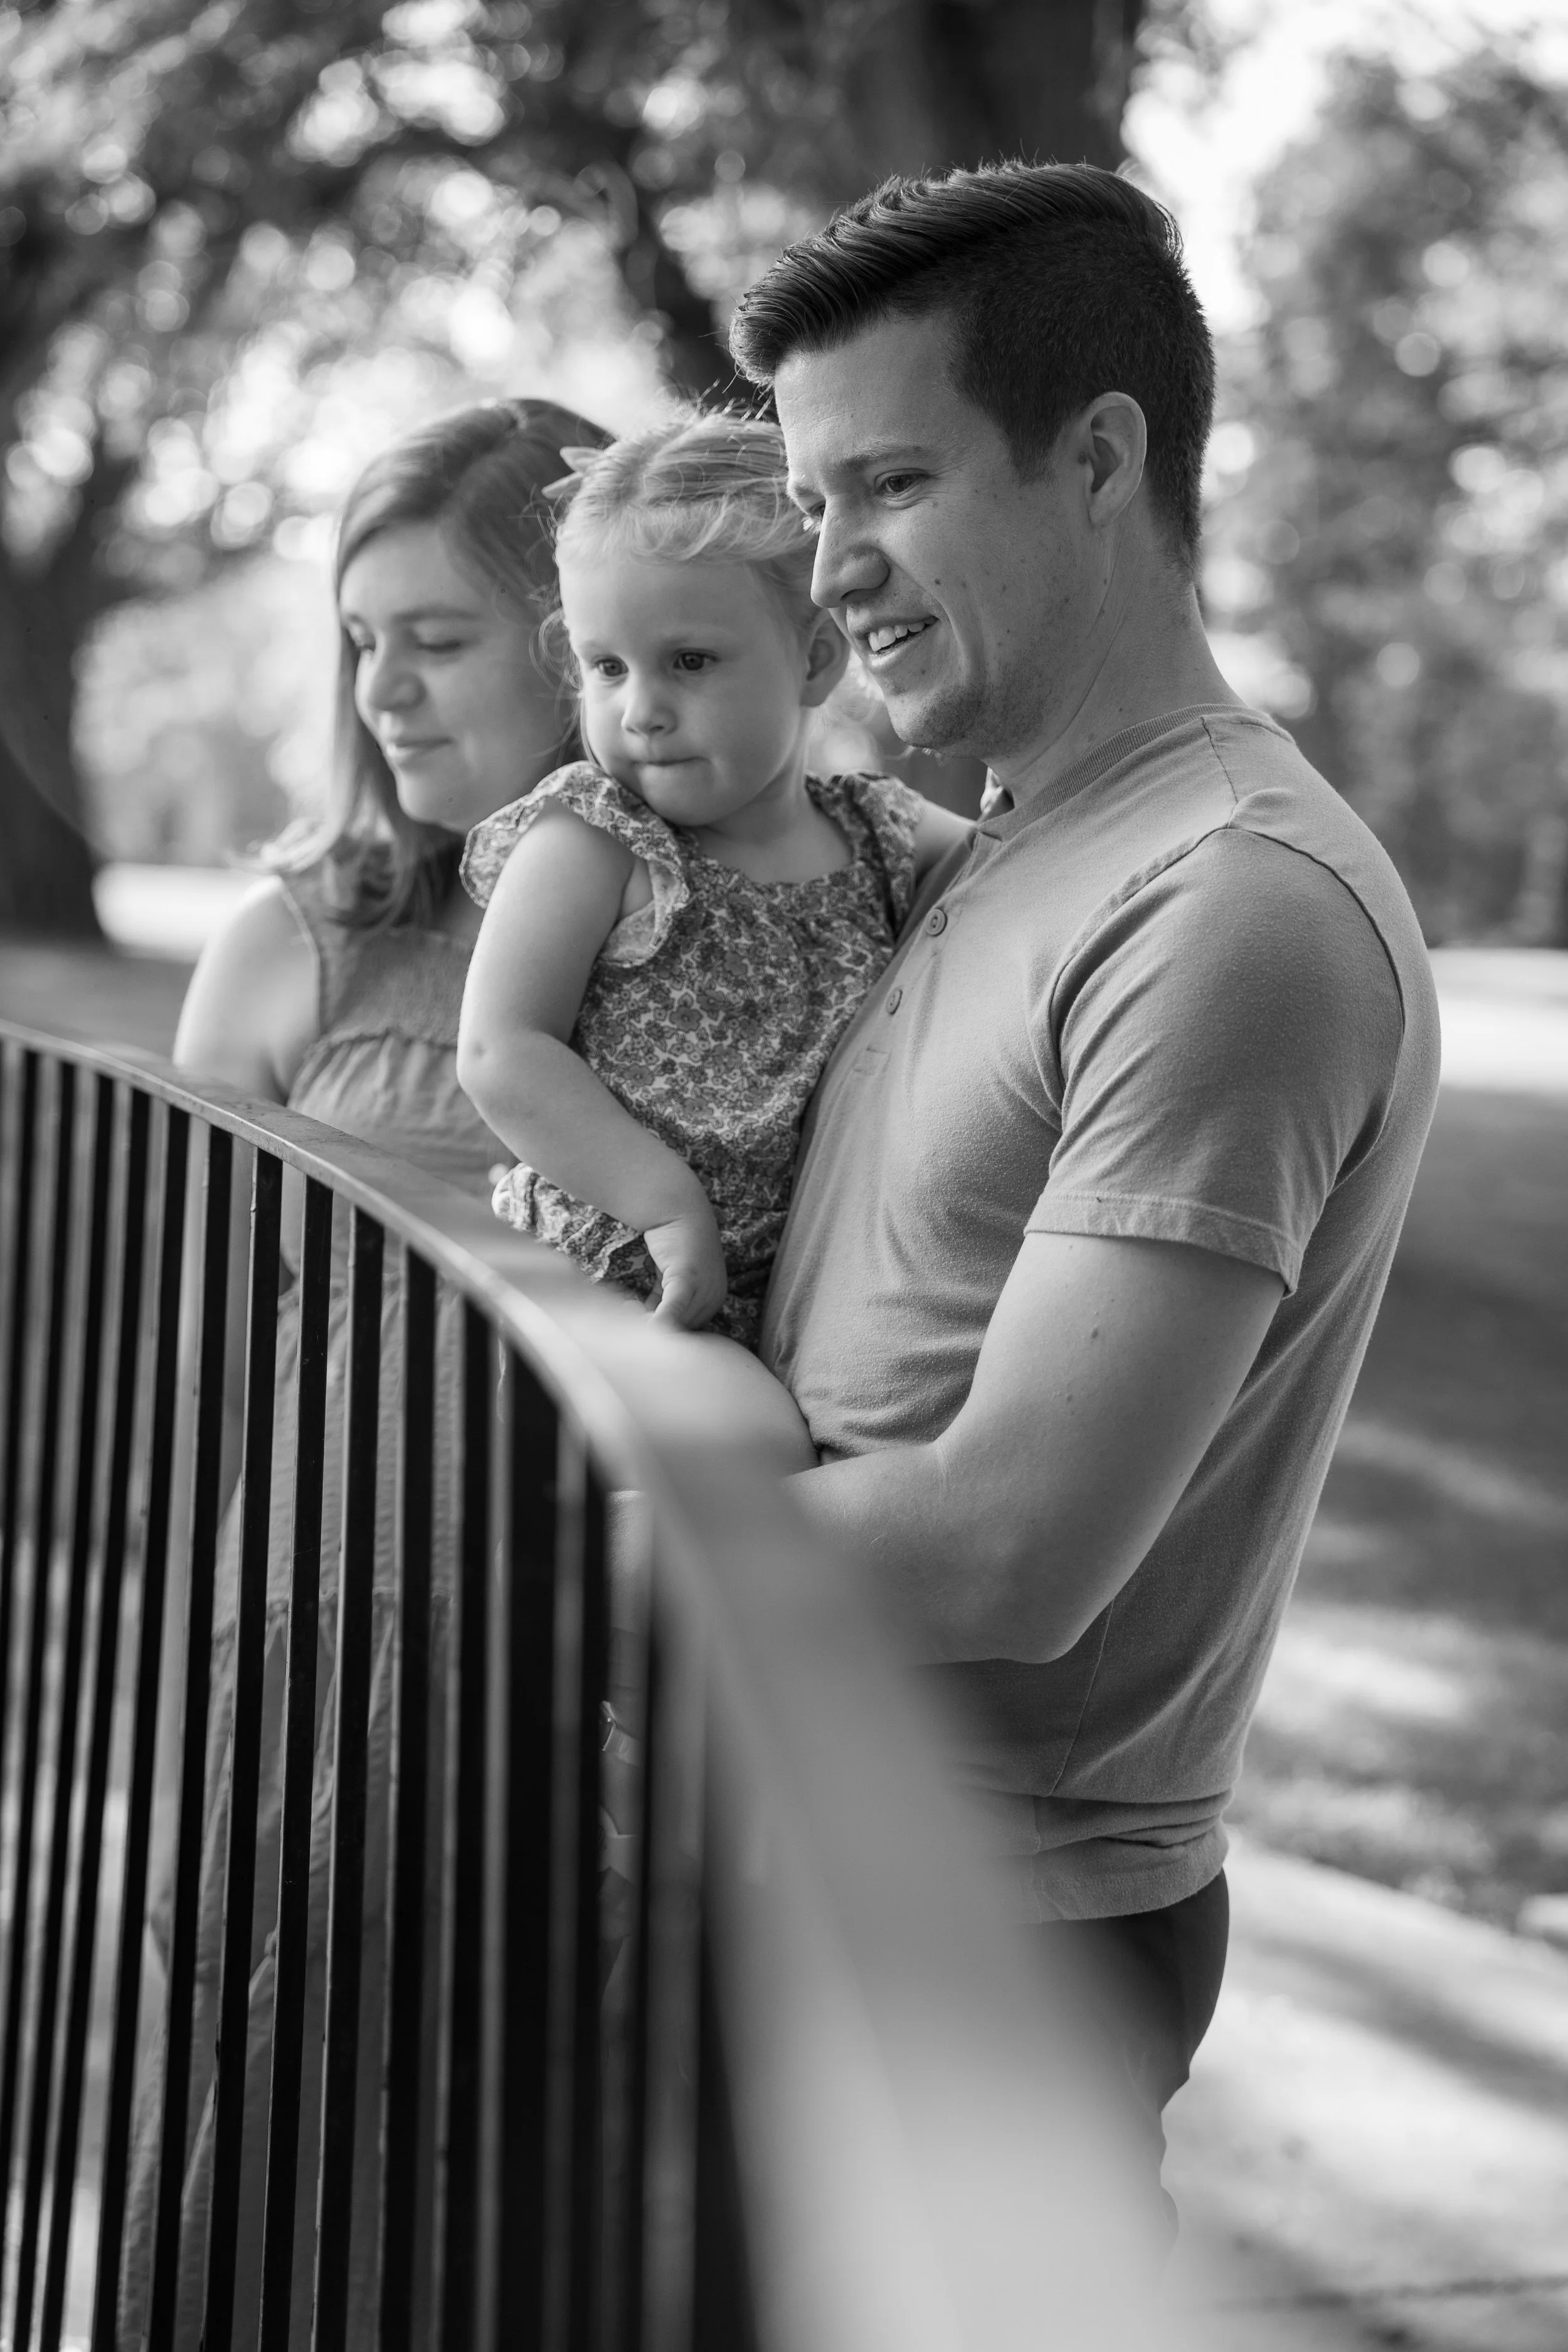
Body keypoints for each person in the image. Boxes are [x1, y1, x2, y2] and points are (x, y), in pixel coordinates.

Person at [728, 162, 1441, 2233]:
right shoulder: (1004, 846)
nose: (831, 568)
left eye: (890, 483)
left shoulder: (1232, 903)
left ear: (1101, 457)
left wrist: (546, 1545)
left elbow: (1010, 1548)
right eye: (813, 502)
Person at [119, 395, 610, 2352]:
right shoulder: (298, 938)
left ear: (573, 635)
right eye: (358, 638)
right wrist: (192, 1721)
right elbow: (196, 1382)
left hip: (609, 1664)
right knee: (281, 2192)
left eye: (437, 636)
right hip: (323, 1656)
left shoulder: (724, 925)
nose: (381, 687)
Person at [456, 411, 971, 1351]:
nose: (641, 710)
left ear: (816, 658)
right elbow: (501, 1050)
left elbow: (1017, 854)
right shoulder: (598, 838)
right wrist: (661, 1202)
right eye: (606, 667)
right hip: (617, 1271)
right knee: (746, 1437)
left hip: (808, 1294)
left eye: (688, 662)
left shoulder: (876, 834)